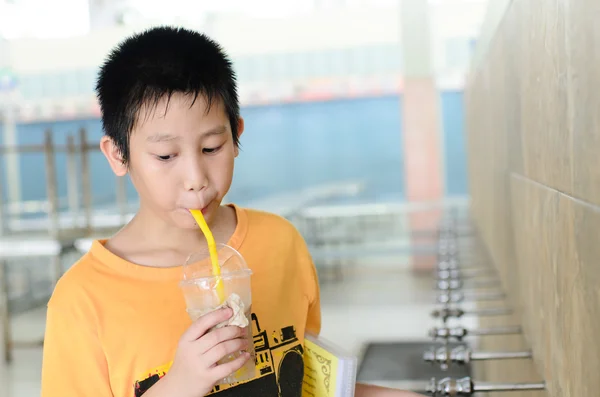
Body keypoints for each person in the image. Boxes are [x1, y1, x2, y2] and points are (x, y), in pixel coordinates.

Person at [40, 26, 423, 397]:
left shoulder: (280, 242)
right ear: (118, 154)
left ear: (236, 135)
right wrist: (180, 384)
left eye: (211, 148)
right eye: (165, 156)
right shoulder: (83, 299)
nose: (195, 179)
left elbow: (305, 384)